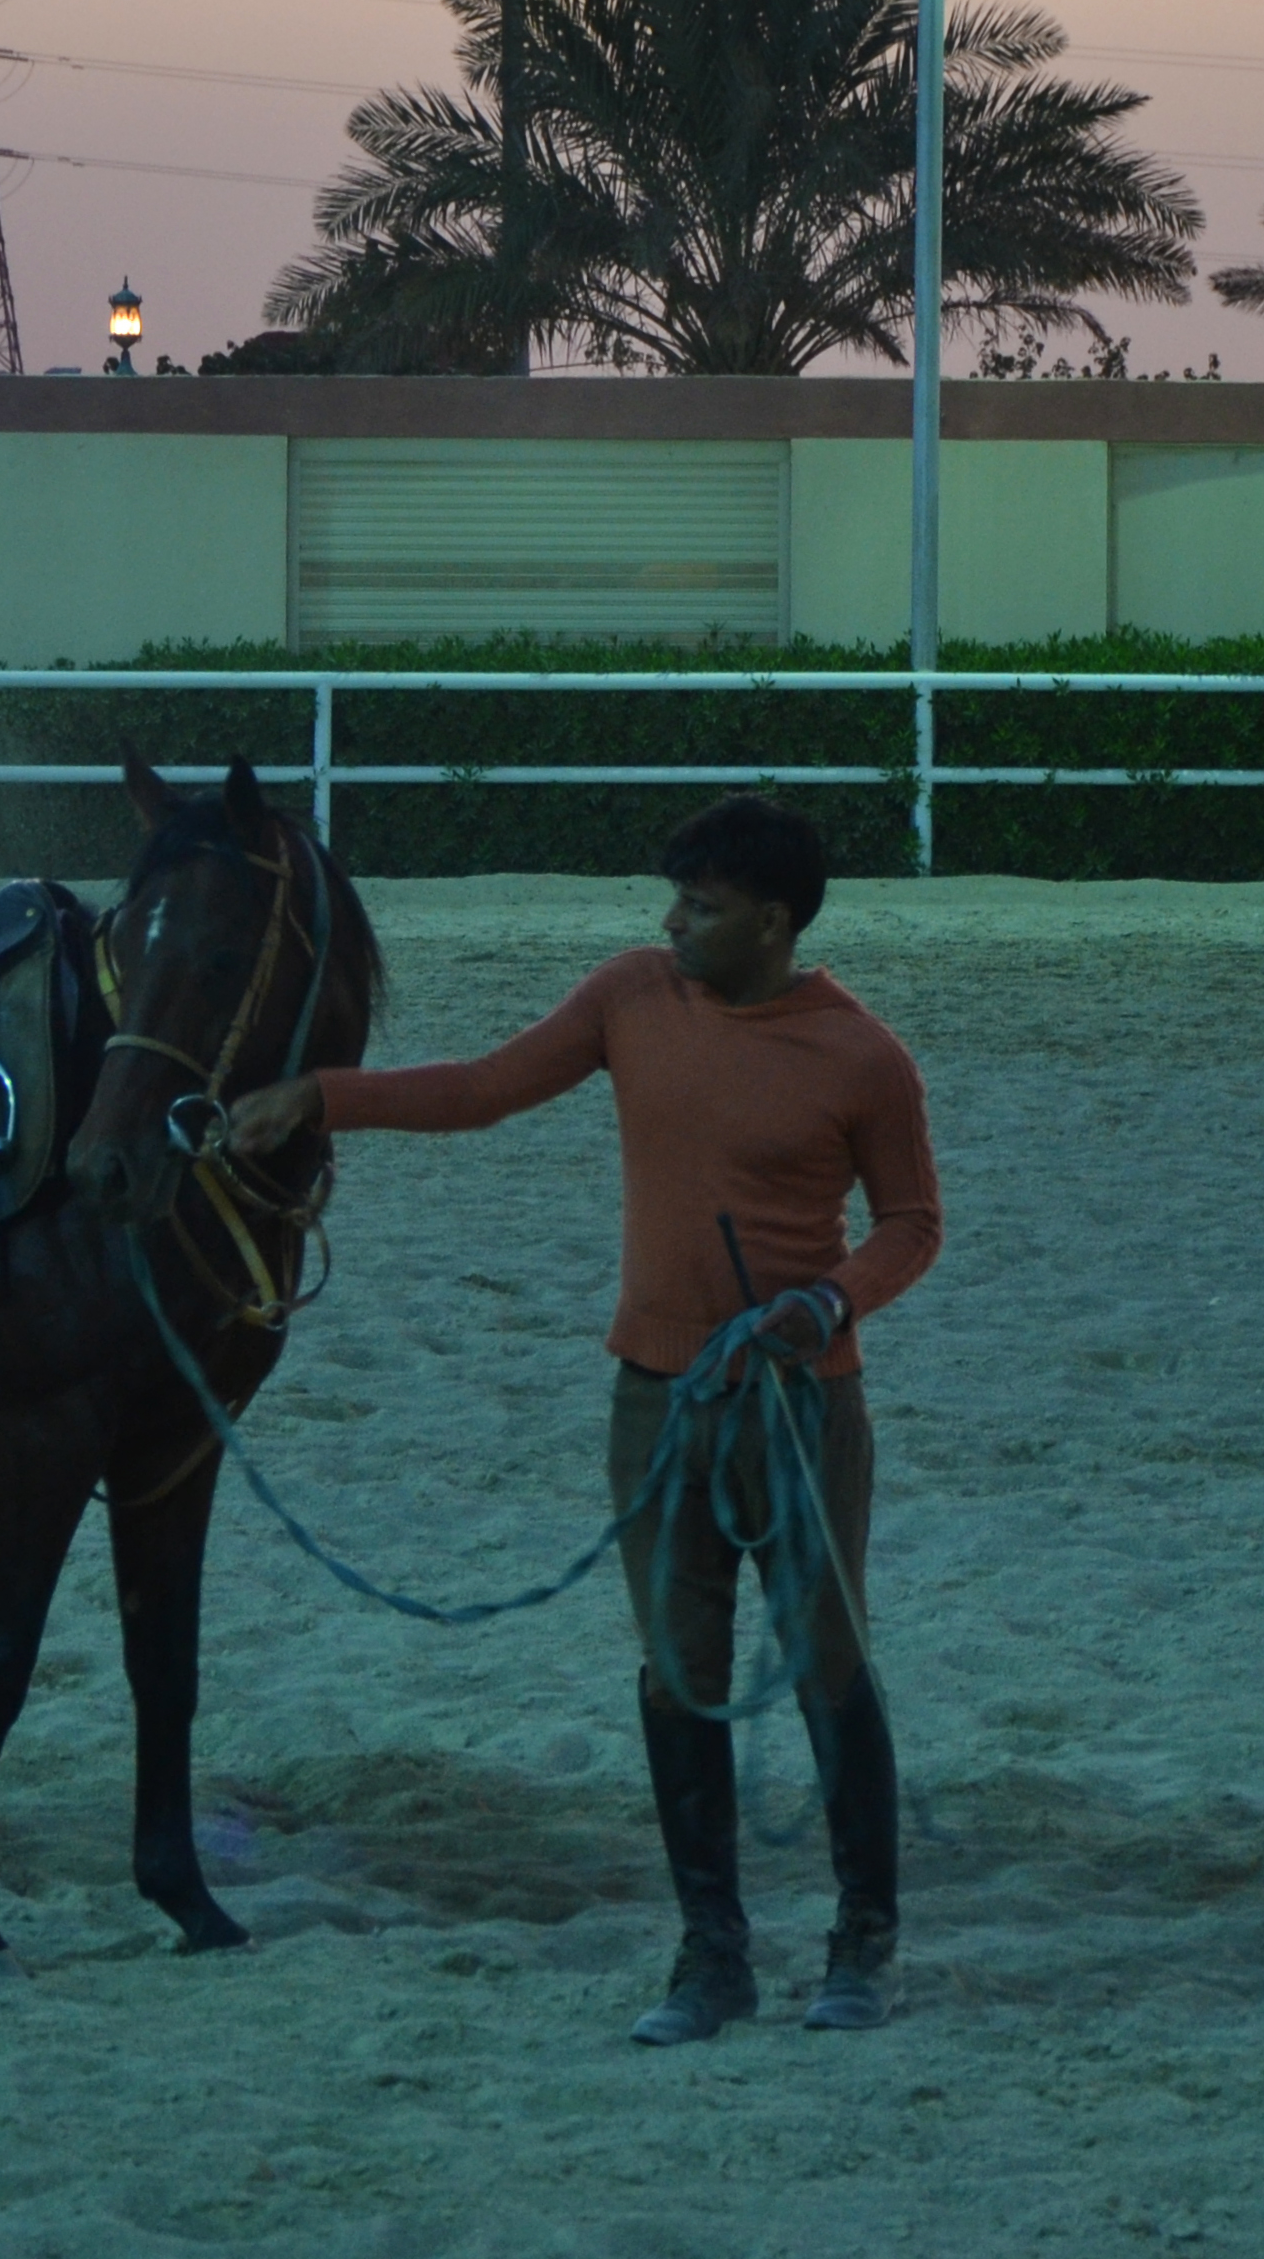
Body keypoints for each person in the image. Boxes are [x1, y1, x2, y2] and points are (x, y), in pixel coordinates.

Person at [221, 791, 939, 2042]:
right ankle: (711, 1956)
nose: (674, 926)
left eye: (702, 909)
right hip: (656, 1400)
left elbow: (913, 1226)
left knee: (827, 1668)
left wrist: (827, 1304)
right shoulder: (630, 998)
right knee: (677, 1677)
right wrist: (321, 1098)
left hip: (801, 1410)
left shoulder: (864, 1058)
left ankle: (862, 1946)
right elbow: (486, 1088)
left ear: (773, 922)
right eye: (673, 902)